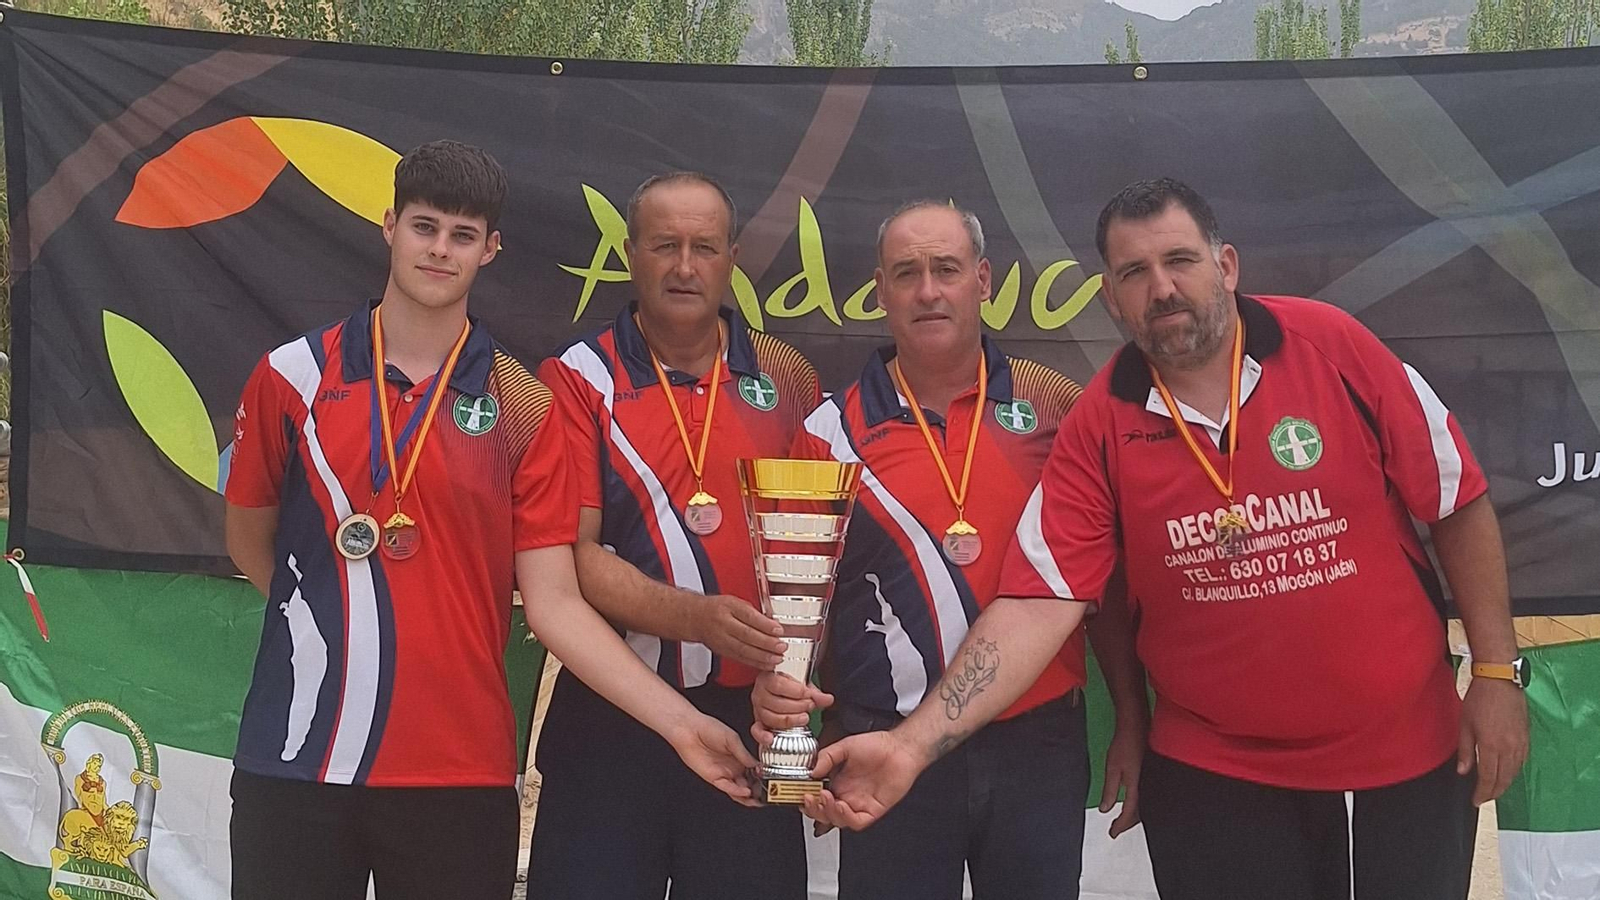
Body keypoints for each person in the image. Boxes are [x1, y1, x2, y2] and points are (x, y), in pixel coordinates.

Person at [803, 177, 1530, 900]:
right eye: (1133, 274)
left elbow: (1457, 502)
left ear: (1227, 266)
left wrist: (1497, 673)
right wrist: (910, 745)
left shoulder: (1335, 346)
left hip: (1405, 754)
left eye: (1179, 261)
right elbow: (1036, 604)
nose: (1162, 289)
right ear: (1112, 297)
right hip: (1220, 776)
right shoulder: (1096, 426)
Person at [223, 142, 757, 900]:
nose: (440, 249)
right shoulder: (289, 377)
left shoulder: (525, 407)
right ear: (389, 227)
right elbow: (250, 541)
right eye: (425, 226)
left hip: (459, 772)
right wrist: (336, 616)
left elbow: (555, 601)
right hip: (295, 754)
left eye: (463, 235)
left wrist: (682, 725)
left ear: (491, 249)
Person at [750, 200, 1145, 900]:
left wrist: (1132, 721)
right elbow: (804, 604)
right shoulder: (826, 432)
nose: (928, 290)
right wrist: (801, 735)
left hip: (1038, 745)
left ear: (983, 280)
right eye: (906, 273)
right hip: (885, 742)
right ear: (880, 291)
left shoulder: (1056, 408)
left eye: (947, 269)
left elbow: (1096, 587)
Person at [531, 171, 821, 899]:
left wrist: (795, 692)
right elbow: (574, 559)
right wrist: (696, 619)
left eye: (704, 247)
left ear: (733, 258)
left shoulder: (789, 380)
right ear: (632, 253)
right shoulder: (578, 377)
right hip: (613, 715)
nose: (685, 267)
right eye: (665, 246)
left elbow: (818, 563)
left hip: (748, 720)